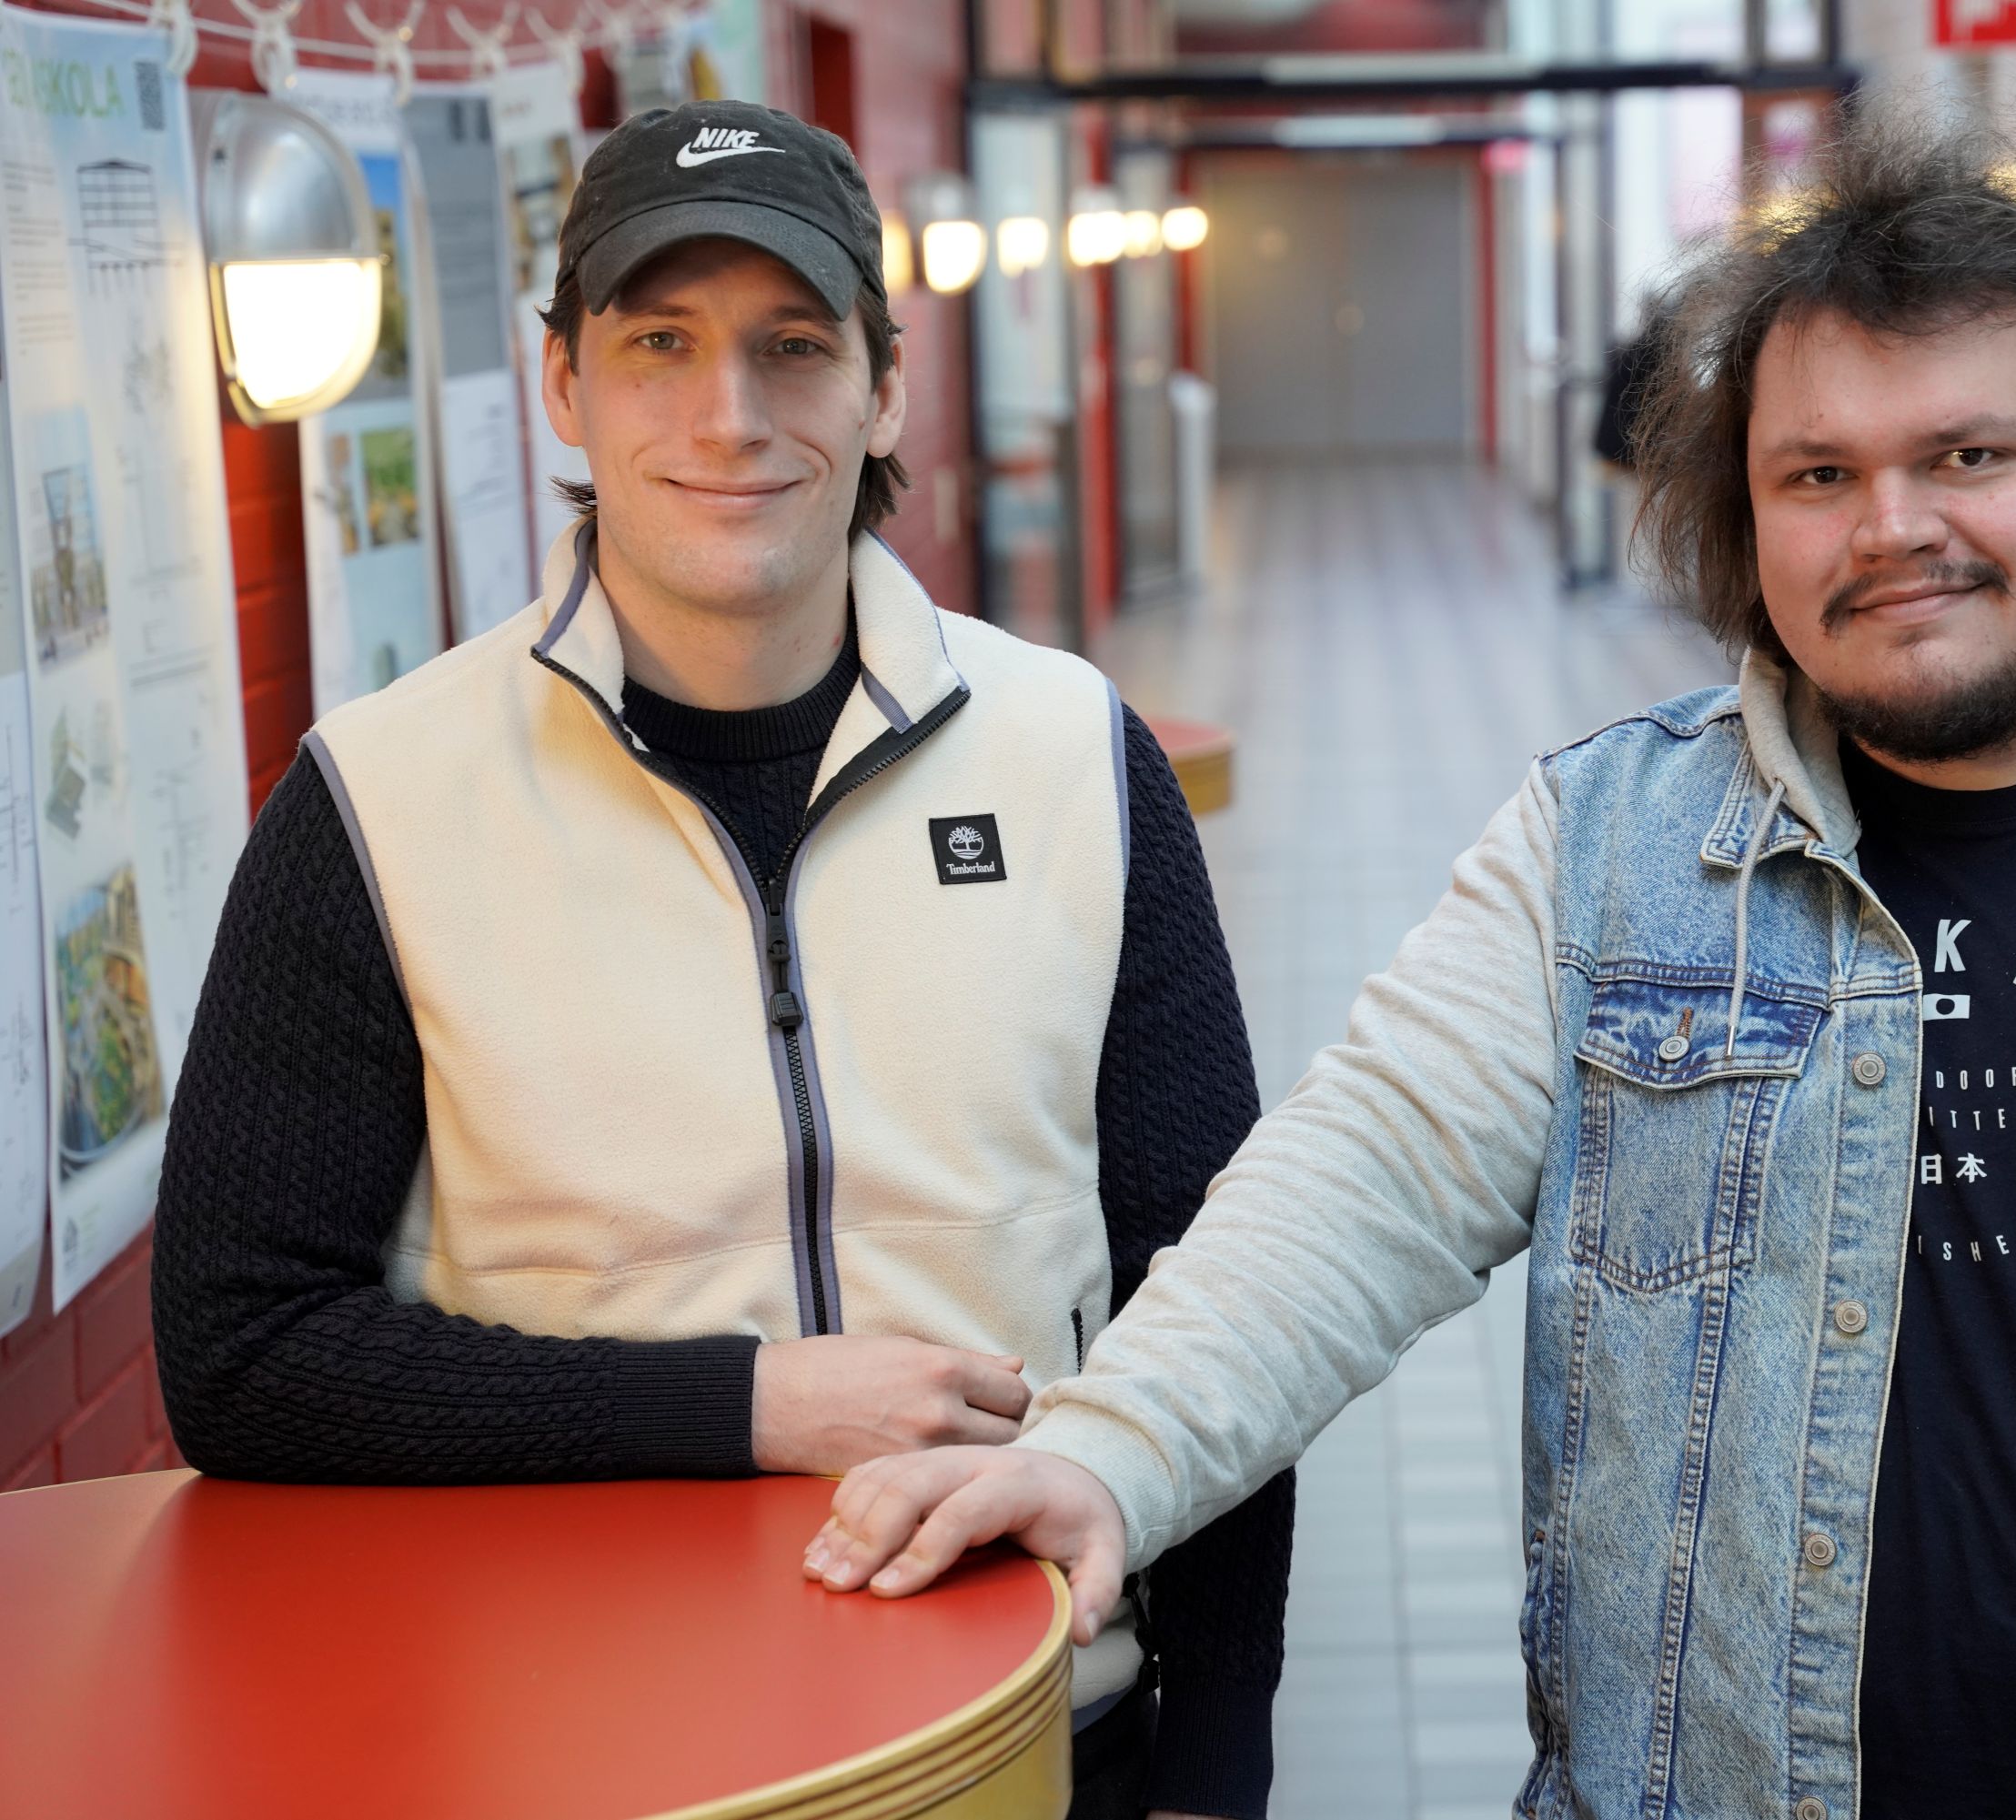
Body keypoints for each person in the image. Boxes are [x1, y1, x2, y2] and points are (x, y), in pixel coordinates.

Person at [801, 109, 2016, 1819]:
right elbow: (1361, 1177)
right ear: (1748, 519)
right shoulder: (1611, 853)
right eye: (1817, 474)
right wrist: (1114, 1448)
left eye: (1970, 452)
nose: (1894, 527)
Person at [150, 99, 1288, 1820]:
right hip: (580, 1757)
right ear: (565, 385)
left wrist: (1215, 1763)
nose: (729, 415)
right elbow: (242, 1350)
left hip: (1040, 1740)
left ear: (884, 388)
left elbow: (1213, 1300)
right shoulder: (376, 803)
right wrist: (744, 1404)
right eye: (659, 344)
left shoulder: (1075, 757)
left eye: (793, 346)